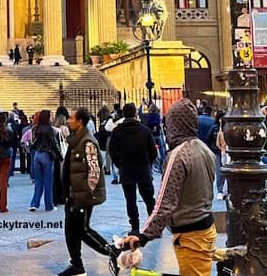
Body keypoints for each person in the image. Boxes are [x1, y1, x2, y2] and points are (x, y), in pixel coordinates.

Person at [124, 99, 217, 276]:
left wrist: (143, 236)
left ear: (174, 124)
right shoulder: (204, 150)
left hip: (190, 236)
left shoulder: (178, 155)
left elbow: (165, 202)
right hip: (206, 229)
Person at [57, 107, 115, 276]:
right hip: (72, 194)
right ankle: (76, 265)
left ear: (80, 121)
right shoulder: (75, 140)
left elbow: (94, 171)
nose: (68, 120)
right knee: (70, 230)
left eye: (71, 118)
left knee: (83, 229)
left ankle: (113, 253)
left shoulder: (88, 142)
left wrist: (85, 195)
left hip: (82, 196)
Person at [107, 102, 157, 235]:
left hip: (127, 169)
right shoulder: (144, 130)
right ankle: (153, 225)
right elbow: (153, 151)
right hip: (143, 169)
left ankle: (135, 227)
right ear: (135, 114)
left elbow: (112, 151)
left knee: (130, 200)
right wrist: (147, 163)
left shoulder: (117, 131)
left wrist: (120, 164)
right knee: (149, 198)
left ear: (123, 114)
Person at [30, 110, 60, 212]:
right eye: (51, 116)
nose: (52, 118)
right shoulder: (49, 129)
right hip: (47, 155)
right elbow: (53, 143)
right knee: (48, 181)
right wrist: (60, 156)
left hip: (37, 155)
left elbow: (35, 143)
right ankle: (49, 205)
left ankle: (34, 203)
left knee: (38, 181)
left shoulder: (36, 128)